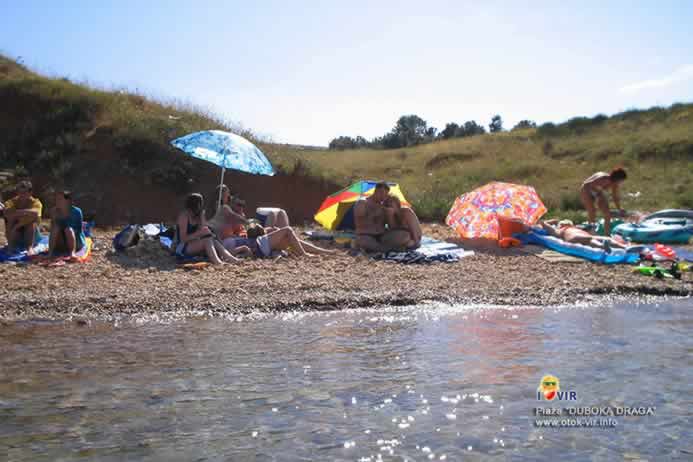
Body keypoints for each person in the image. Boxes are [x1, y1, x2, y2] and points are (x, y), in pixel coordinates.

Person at [175, 193, 241, 265]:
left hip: (193, 243)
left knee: (213, 239)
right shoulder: (184, 217)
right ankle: (218, 262)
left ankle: (231, 258)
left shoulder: (197, 216)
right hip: (182, 247)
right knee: (207, 240)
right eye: (200, 204)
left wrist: (202, 217)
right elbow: (183, 239)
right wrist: (199, 233)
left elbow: (204, 229)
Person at [353, 182, 410, 252]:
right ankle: (386, 248)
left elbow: (392, 227)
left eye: (385, 195)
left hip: (382, 236)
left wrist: (390, 215)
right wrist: (375, 213)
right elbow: (360, 217)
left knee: (405, 235)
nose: (383, 197)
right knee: (363, 241)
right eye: (381, 193)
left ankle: (382, 248)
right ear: (375, 191)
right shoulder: (362, 202)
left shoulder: (384, 206)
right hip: (366, 235)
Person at [227, 223, 334, 258]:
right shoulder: (226, 242)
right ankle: (305, 254)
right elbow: (230, 252)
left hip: (261, 249)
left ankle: (322, 251)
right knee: (287, 230)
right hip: (259, 244)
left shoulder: (226, 241)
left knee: (289, 239)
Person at [580, 167, 627, 235]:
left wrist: (619, 208)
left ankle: (607, 234)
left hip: (598, 191)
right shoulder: (603, 178)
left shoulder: (615, 184)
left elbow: (615, 197)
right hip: (586, 189)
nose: (621, 182)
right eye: (621, 180)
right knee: (592, 211)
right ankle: (590, 232)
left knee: (607, 213)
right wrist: (592, 198)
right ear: (617, 178)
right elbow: (587, 184)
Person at [1, 180, 43, 252]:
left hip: (32, 233)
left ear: (30, 193)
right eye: (19, 192)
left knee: (31, 223)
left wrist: (17, 215)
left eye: (24, 192)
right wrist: (25, 213)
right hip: (17, 232)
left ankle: (29, 247)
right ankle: (11, 245)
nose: (21, 195)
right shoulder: (11, 202)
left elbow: (35, 214)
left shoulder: (36, 202)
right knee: (10, 219)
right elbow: (6, 213)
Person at [540, 219, 627, 250]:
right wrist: (555, 221)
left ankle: (603, 246)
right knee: (594, 239)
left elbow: (544, 224)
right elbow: (544, 223)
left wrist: (552, 222)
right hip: (580, 236)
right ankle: (623, 247)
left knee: (590, 241)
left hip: (573, 238)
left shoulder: (559, 231)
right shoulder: (574, 228)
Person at [49, 190, 86, 257]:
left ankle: (72, 253)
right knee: (55, 227)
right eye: (56, 199)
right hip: (61, 241)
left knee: (68, 229)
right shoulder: (54, 211)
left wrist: (64, 228)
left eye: (60, 199)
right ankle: (50, 253)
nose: (57, 201)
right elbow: (52, 229)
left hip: (75, 241)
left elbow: (78, 230)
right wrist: (54, 219)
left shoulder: (76, 212)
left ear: (68, 201)